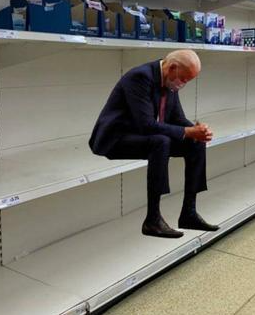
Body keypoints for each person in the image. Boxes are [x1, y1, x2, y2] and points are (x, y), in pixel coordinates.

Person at [89, 50, 219, 238]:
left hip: (140, 135)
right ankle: (152, 219)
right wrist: (188, 131)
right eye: (183, 79)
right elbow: (146, 125)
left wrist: (197, 131)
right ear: (172, 68)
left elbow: (177, 118)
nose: (183, 84)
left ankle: (189, 213)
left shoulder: (170, 81)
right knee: (161, 142)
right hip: (115, 138)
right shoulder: (140, 77)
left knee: (195, 143)